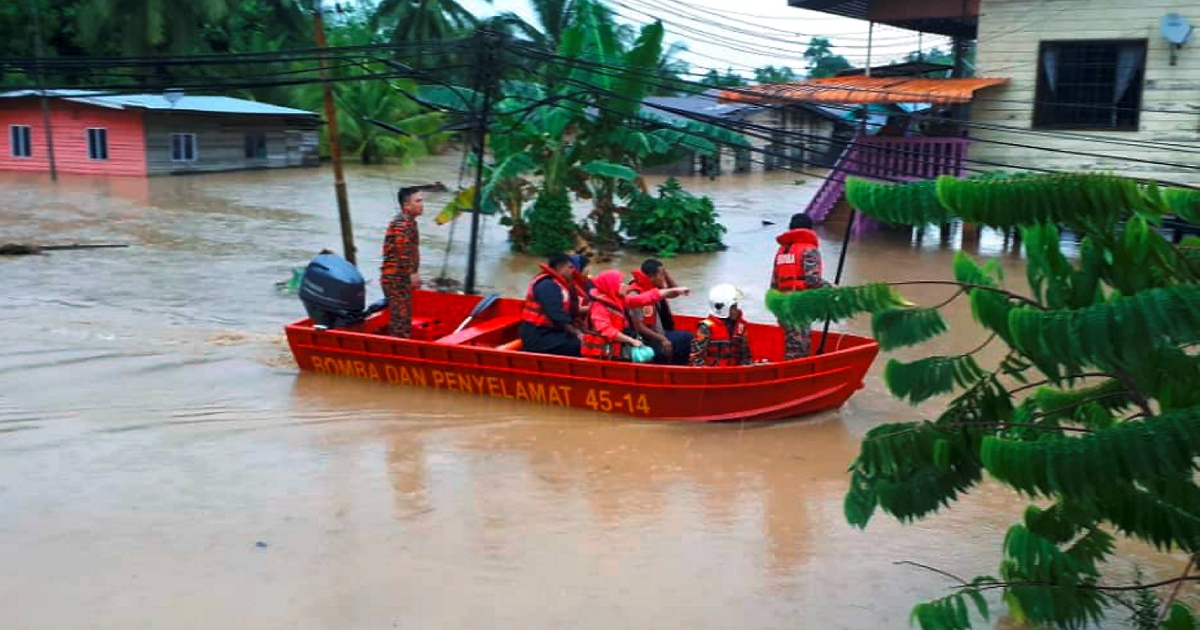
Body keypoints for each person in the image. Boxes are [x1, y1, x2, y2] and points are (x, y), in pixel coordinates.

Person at [582, 270, 689, 361]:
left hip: (620, 344)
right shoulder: (599, 307)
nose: (624, 285)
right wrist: (631, 341)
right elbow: (607, 331)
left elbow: (645, 298)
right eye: (620, 283)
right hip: (606, 351)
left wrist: (673, 290)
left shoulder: (619, 300)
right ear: (611, 286)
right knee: (656, 353)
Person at [770, 212, 830, 359]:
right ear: (810, 229)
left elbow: (774, 283)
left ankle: (787, 375)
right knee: (800, 349)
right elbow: (812, 280)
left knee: (792, 344)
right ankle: (791, 378)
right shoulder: (809, 249)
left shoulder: (782, 251)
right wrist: (830, 289)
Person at [628, 258, 693, 365]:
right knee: (686, 338)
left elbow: (675, 292)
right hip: (648, 338)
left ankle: (678, 365)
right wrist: (662, 339)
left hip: (660, 332)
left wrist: (665, 272)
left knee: (687, 337)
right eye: (661, 275)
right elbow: (639, 327)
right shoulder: (636, 293)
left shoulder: (653, 286)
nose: (663, 278)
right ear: (651, 277)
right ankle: (676, 368)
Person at [519, 253, 584, 357]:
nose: (573, 271)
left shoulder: (558, 284)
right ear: (559, 267)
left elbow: (569, 312)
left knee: (588, 341)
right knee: (581, 346)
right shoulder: (547, 285)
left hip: (552, 331)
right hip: (538, 335)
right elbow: (556, 314)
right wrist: (577, 333)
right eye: (570, 267)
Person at [381, 186, 424, 337]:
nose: (422, 204)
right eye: (418, 201)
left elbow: (411, 251)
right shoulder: (401, 224)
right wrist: (412, 273)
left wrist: (414, 273)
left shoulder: (410, 222)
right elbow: (402, 249)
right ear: (407, 205)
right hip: (395, 278)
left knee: (403, 317)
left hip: (401, 277)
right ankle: (397, 350)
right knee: (400, 319)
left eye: (422, 200)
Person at [689, 284, 753, 367]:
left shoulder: (740, 326)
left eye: (736, 306)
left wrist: (746, 367)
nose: (737, 310)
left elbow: (745, 354)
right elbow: (696, 356)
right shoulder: (706, 327)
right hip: (712, 371)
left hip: (735, 370)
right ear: (722, 309)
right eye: (733, 307)